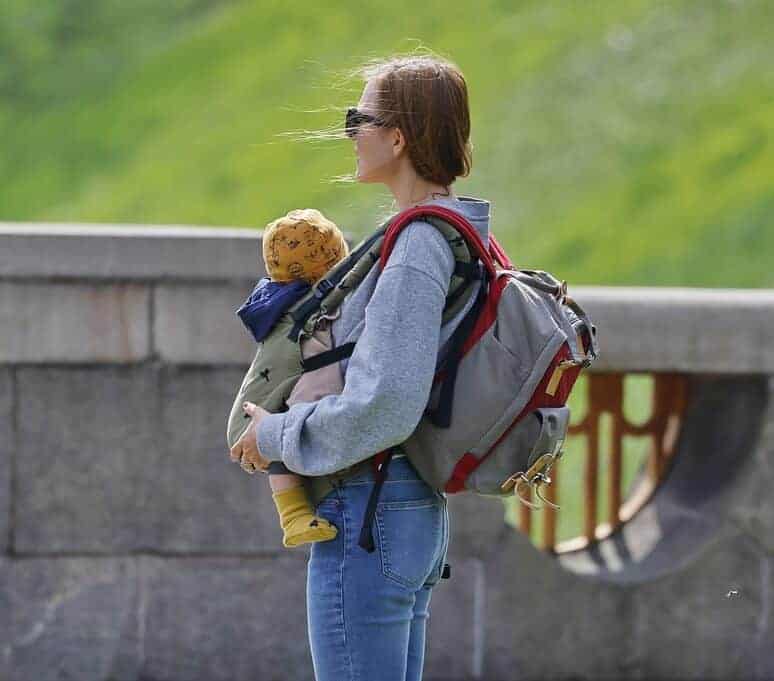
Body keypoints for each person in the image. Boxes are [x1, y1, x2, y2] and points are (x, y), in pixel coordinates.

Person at [229, 53, 491, 681]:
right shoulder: (449, 233)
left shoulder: (417, 248)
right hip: (401, 508)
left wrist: (275, 436)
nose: (350, 133)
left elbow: (387, 402)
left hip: (367, 508)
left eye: (359, 118)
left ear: (397, 137)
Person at [227, 207, 350, 548]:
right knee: (278, 429)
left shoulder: (278, 302)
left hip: (279, 413)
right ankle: (292, 515)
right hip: (265, 421)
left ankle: (295, 515)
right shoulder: (308, 311)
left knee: (279, 426)